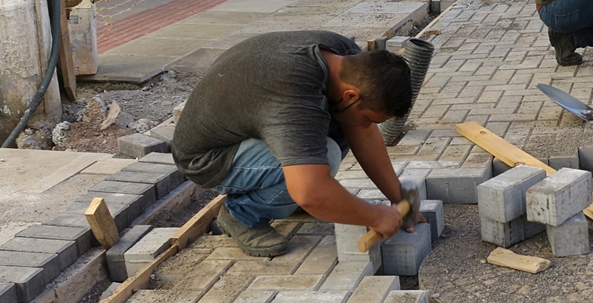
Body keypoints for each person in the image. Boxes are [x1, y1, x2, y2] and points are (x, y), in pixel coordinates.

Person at [172, 31, 414, 257]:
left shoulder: (347, 59)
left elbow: (364, 136)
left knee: (343, 121)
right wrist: (375, 216)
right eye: (369, 119)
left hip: (247, 124)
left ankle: (284, 195)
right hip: (210, 157)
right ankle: (241, 214)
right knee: (324, 157)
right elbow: (310, 192)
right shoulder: (295, 96)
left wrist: (398, 198)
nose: (366, 126)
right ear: (351, 95)